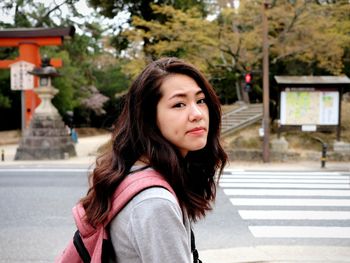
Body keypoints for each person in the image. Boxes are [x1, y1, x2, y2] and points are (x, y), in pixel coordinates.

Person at [81, 57, 227, 262]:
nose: (197, 114)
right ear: (149, 118)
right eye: (179, 104)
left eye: (200, 101)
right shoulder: (155, 203)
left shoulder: (135, 171)